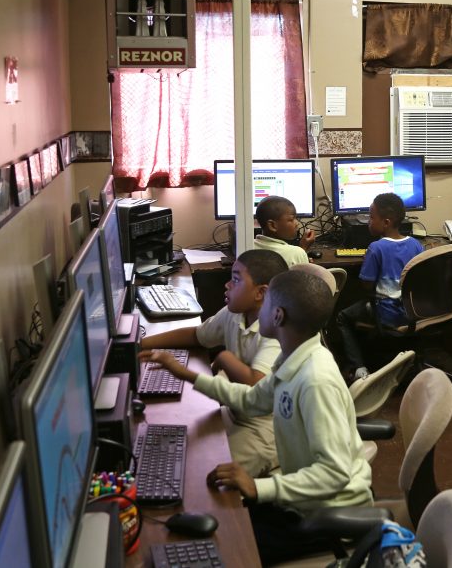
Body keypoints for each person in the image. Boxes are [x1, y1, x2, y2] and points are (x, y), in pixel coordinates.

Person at [141, 270, 373, 565]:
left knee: (226, 546)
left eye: (264, 305)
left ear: (277, 316)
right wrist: (186, 374)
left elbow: (335, 472)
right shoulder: (293, 358)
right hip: (304, 498)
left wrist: (259, 486)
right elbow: (252, 400)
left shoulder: (315, 381)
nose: (257, 310)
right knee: (219, 517)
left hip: (329, 513)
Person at [140, 249, 288, 476]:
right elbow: (197, 336)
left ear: (261, 293)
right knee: (177, 442)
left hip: (266, 429)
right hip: (236, 410)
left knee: (203, 474)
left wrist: (224, 359)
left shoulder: (275, 333)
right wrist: (140, 343)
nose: (227, 285)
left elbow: (257, 384)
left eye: (236, 280)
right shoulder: (236, 313)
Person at [336, 192, 423, 381]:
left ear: (386, 222)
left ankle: (359, 368)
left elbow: (367, 285)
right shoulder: (416, 245)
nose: (368, 221)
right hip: (412, 312)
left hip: (388, 312)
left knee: (343, 316)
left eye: (371, 217)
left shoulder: (376, 248)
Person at [254, 195, 315, 266]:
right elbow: (302, 276)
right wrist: (302, 251)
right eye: (292, 219)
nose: (297, 223)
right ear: (272, 225)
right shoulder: (296, 253)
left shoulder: (248, 246)